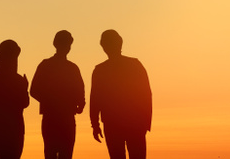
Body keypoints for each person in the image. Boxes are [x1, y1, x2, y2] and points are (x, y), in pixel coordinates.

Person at [90, 30, 152, 159]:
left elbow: (146, 94)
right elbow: (95, 99)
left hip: (125, 124)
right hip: (128, 124)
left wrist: (95, 125)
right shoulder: (135, 65)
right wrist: (145, 123)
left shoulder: (100, 70)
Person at [30, 30, 85, 159]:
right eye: (65, 44)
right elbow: (34, 91)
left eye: (68, 44)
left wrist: (80, 103)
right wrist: (53, 101)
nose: (67, 47)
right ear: (56, 44)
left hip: (63, 118)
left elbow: (80, 92)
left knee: (61, 154)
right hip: (54, 118)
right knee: (53, 153)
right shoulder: (48, 65)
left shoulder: (71, 68)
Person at [0, 39, 30, 159]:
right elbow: (25, 102)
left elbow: (24, 103)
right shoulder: (17, 80)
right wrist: (25, 88)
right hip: (11, 130)